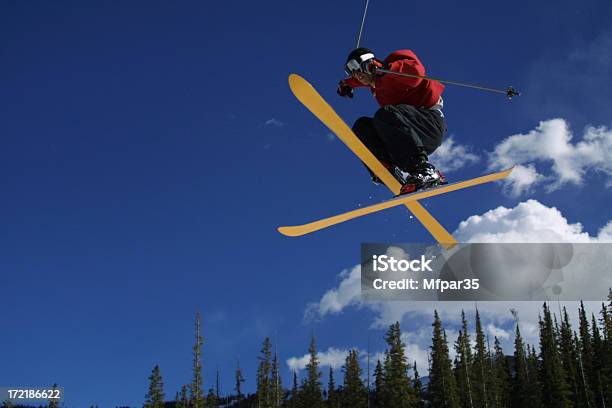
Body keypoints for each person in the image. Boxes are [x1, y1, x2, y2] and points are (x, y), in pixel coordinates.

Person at [337, 47, 447, 195]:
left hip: (429, 124)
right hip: (408, 133)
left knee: (385, 114)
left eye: (358, 69)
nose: (357, 75)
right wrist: (347, 84)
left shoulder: (392, 69)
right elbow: (362, 80)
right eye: (351, 72)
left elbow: (416, 72)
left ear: (369, 64)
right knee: (362, 126)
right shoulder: (375, 82)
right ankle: (386, 169)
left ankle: (424, 170)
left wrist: (387, 68)